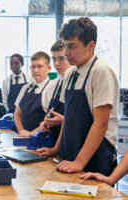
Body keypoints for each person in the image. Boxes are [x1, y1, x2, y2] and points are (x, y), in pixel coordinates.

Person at [37, 17, 118, 176]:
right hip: (70, 155)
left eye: (72, 47)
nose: (66, 53)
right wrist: (56, 149)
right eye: (66, 46)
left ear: (91, 45)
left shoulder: (101, 72)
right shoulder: (70, 73)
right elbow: (68, 119)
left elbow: (100, 124)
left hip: (95, 158)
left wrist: (80, 162)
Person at [39, 40, 71, 142]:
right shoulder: (54, 85)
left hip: (70, 141)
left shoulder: (78, 84)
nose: (56, 64)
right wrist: (45, 122)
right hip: (54, 142)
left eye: (61, 58)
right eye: (54, 59)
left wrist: (64, 121)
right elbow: (48, 112)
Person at [14, 51, 51, 137]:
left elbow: (49, 120)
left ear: (49, 68)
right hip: (24, 138)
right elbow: (17, 114)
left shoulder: (51, 88)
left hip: (42, 138)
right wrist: (22, 131)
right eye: (33, 67)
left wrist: (31, 134)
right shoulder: (26, 87)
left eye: (40, 66)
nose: (35, 70)